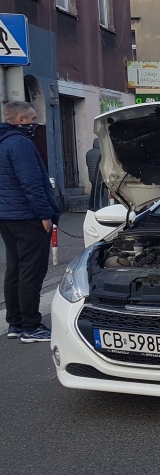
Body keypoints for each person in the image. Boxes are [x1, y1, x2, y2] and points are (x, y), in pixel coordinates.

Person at [0, 101, 60, 342]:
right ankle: (31, 327)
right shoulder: (21, 143)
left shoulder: (3, 141)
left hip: (7, 217)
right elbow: (32, 183)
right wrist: (45, 214)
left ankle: (14, 324)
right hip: (27, 216)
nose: (36, 123)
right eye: (33, 118)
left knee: (14, 269)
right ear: (21, 120)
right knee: (31, 272)